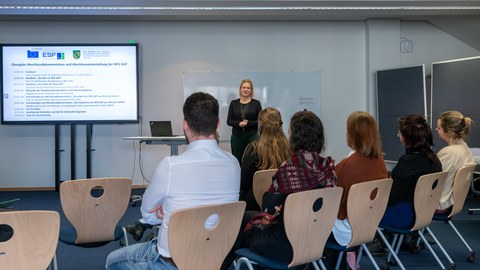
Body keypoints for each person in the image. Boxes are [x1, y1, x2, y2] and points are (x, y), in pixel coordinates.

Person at [105, 92, 240, 270]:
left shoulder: (170, 166)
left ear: (185, 124)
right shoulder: (233, 164)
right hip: (216, 256)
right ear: (218, 123)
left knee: (112, 260)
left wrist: (168, 211)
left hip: (172, 261)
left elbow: (147, 215)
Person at [222, 110, 336, 269]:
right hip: (316, 239)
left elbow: (268, 208)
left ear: (295, 137)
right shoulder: (328, 167)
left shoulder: (290, 169)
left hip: (285, 245)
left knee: (238, 227)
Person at [332, 111, 388, 246]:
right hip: (369, 225)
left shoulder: (347, 165)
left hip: (344, 230)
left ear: (351, 135)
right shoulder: (380, 161)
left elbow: (334, 200)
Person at [380, 115, 442, 229]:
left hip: (404, 216)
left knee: (359, 210)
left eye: (399, 133)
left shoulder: (407, 162)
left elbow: (392, 199)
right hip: (424, 213)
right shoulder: (434, 159)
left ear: (408, 138)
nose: (398, 136)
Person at [240, 107, 290, 211]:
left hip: (255, 207)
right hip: (282, 204)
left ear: (260, 125)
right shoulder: (290, 149)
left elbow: (244, 183)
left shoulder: (253, 149)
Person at [435, 110, 475, 213]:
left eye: (439, 128)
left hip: (440, 204)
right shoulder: (465, 148)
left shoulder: (448, 153)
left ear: (448, 132)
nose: (436, 129)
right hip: (454, 202)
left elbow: (432, 180)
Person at [227, 79, 262, 165]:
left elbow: (260, 121)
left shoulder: (256, 103)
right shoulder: (233, 103)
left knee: (252, 160)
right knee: (236, 161)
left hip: (252, 137)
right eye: (244, 87)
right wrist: (238, 124)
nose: (246, 89)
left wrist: (248, 123)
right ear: (240, 89)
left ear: (251, 90)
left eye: (248, 88)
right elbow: (229, 121)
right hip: (237, 136)